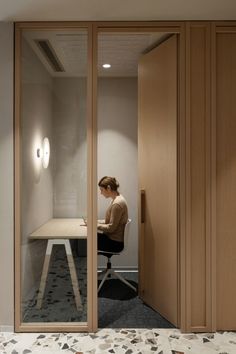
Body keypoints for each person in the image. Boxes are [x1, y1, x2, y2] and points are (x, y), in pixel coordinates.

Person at [97, 176, 128, 253]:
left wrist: (95, 226)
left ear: (108, 188)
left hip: (114, 243)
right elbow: (110, 221)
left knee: (87, 240)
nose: (101, 193)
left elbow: (111, 228)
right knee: (90, 237)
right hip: (111, 239)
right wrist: (95, 222)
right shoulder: (116, 199)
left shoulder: (117, 204)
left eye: (101, 190)